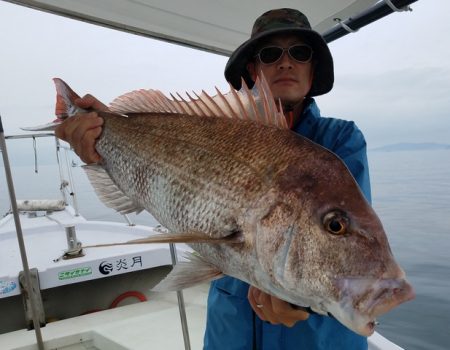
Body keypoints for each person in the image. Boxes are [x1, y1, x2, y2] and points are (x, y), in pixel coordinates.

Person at [55, 8, 371, 350]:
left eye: (300, 52)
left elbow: (345, 241)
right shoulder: (216, 130)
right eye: (270, 54)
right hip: (231, 330)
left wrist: (293, 297)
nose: (285, 63)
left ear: (312, 70)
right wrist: (101, 136)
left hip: (318, 339)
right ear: (253, 70)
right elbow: (158, 179)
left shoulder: (339, 141)